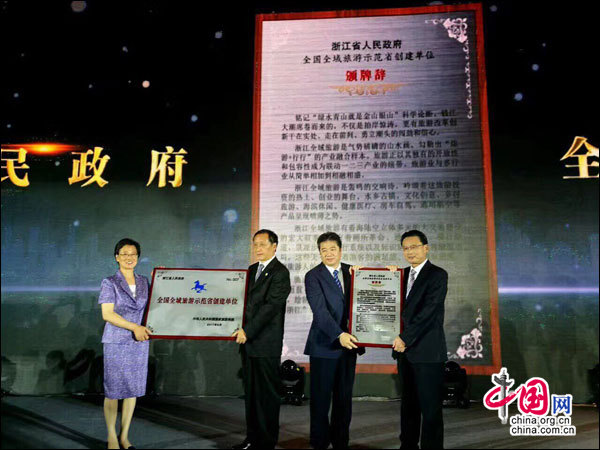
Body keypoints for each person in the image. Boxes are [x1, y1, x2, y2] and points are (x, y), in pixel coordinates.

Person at [303, 232, 368, 450]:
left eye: (332, 249)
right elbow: (320, 312)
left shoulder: (354, 272)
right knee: (320, 401)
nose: (328, 253)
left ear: (340, 250)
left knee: (344, 399)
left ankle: (341, 442)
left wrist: (390, 275)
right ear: (319, 252)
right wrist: (339, 335)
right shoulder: (313, 276)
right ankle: (319, 443)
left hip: (349, 346)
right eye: (324, 250)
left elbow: (370, 297)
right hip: (324, 345)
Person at [231, 229, 291, 450]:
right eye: (255, 244)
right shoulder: (251, 270)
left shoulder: (280, 272)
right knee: (251, 395)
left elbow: (270, 308)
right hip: (247, 343)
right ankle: (251, 439)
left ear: (274, 247)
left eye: (263, 244)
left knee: (267, 396)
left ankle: (266, 443)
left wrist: (247, 331)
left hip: (265, 344)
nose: (258, 248)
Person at [392, 230, 448, 449]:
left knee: (430, 409)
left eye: (414, 247)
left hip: (428, 352)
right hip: (404, 354)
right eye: (406, 248)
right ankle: (407, 446)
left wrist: (404, 338)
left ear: (426, 248)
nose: (410, 252)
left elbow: (429, 312)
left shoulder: (438, 275)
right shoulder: (400, 275)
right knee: (408, 406)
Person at [98, 238, 152, 450]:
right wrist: (134, 327)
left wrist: (163, 279)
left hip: (138, 342)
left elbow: (155, 305)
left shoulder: (144, 281)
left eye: (133, 254)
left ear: (138, 257)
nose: (129, 257)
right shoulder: (109, 282)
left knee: (132, 389)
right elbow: (107, 314)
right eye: (124, 254)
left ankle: (125, 436)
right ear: (117, 257)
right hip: (116, 341)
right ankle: (112, 436)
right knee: (113, 391)